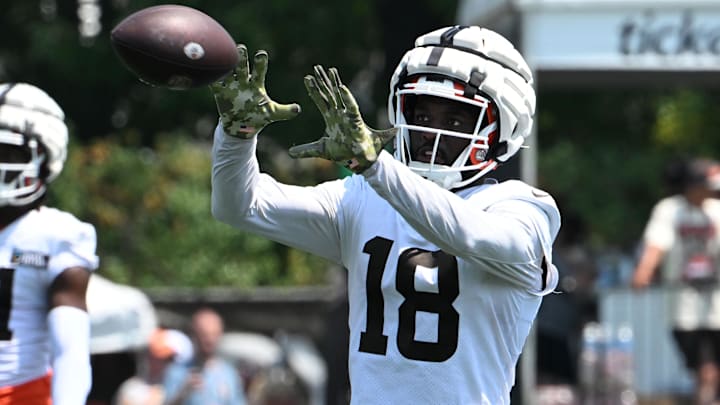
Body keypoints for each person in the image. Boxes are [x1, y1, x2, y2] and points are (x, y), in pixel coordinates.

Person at [209, 25, 561, 404]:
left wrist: (377, 168)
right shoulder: (365, 196)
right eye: (421, 114)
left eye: (455, 120)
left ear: (500, 131)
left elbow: (469, 235)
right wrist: (237, 136)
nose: (429, 133)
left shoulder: (523, 207)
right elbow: (240, 207)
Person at [0, 83, 98, 404]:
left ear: (44, 158)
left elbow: (70, 350)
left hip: (22, 394)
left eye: (8, 153)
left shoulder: (56, 235)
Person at [632, 157, 720, 405]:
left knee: (709, 369)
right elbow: (657, 243)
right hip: (685, 307)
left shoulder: (716, 211)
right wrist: (644, 271)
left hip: (716, 306)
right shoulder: (670, 210)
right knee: (701, 368)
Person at [163, 307, 246, 405]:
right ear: (194, 334)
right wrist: (183, 394)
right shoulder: (177, 371)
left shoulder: (229, 374)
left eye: (214, 334)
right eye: (204, 335)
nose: (210, 340)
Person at [113, 328, 193, 405]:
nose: (167, 364)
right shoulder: (132, 389)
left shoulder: (174, 387)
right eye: (162, 358)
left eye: (170, 359)